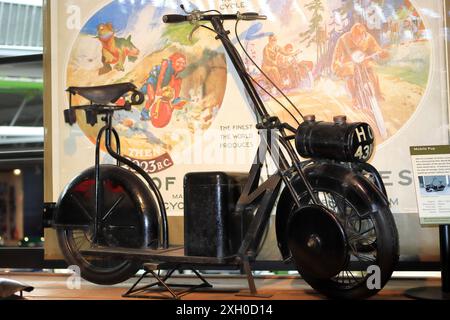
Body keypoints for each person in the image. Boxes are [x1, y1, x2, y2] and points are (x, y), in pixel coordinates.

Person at [332, 23, 388, 108]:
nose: (357, 39)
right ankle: (354, 98)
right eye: (355, 37)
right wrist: (337, 65)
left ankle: (378, 94)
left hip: (363, 59)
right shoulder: (343, 39)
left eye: (360, 37)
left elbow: (376, 48)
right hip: (349, 61)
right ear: (351, 34)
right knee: (349, 74)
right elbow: (337, 55)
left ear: (363, 35)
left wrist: (381, 53)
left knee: (372, 71)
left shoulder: (368, 37)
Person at [140, 52, 187, 121]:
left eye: (183, 63)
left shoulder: (176, 72)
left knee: (178, 81)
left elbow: (173, 84)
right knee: (151, 98)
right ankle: (144, 113)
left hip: (162, 84)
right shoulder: (166, 63)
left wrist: (171, 94)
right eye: (179, 62)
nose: (181, 65)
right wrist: (158, 88)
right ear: (173, 61)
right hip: (153, 80)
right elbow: (161, 76)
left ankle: (175, 99)